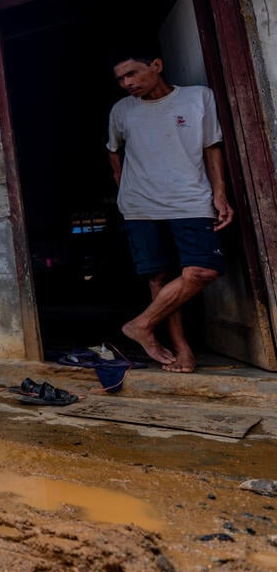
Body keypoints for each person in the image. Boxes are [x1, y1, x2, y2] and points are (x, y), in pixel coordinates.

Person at [107, 56, 233, 374]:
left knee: (202, 270)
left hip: (190, 199)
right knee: (159, 277)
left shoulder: (197, 97)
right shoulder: (122, 110)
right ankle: (182, 350)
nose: (127, 83)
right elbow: (113, 150)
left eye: (132, 74)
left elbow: (211, 146)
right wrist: (123, 187)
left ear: (157, 65)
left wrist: (220, 193)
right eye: (120, 79)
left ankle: (141, 325)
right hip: (140, 205)